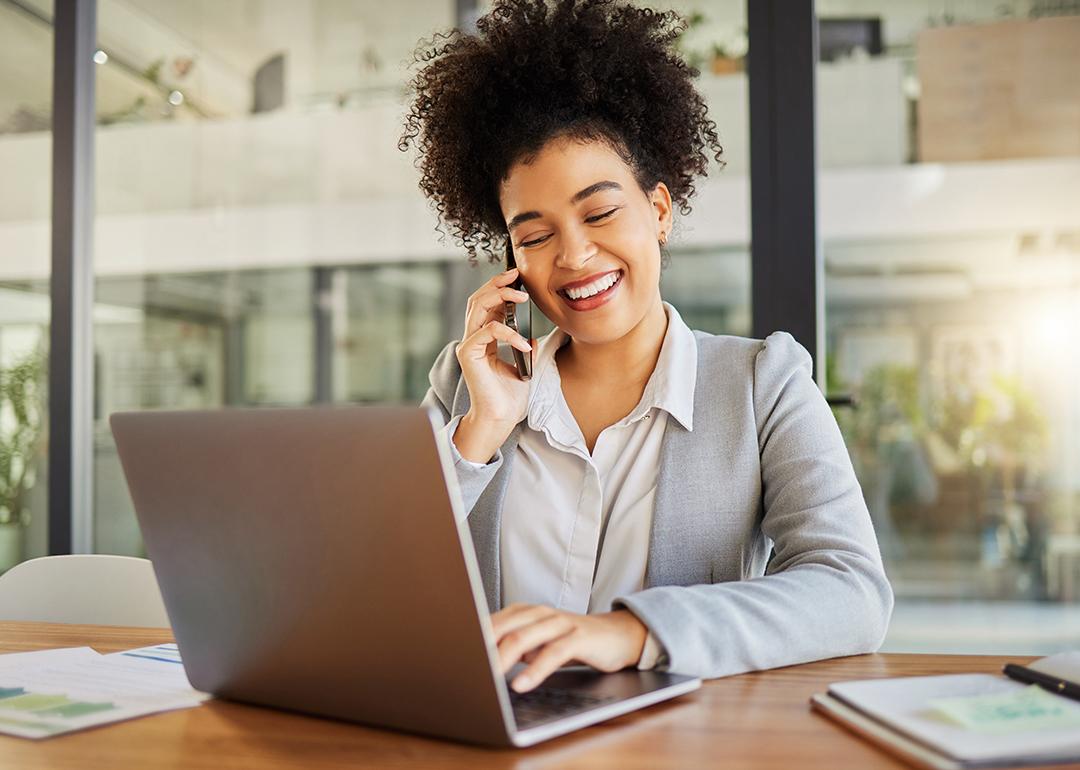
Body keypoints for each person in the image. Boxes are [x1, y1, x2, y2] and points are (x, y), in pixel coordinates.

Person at [401, 0, 893, 694]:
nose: (573, 254)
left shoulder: (762, 384)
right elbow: (380, 580)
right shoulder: (467, 391)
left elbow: (852, 592)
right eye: (534, 234)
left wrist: (632, 633)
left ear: (658, 212)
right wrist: (479, 432)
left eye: (600, 212)